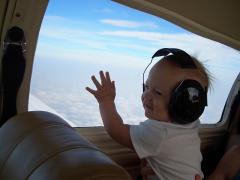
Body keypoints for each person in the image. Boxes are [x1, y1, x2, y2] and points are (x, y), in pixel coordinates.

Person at [86, 48, 211, 180]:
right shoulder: (191, 124)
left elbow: (116, 130)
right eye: (146, 86)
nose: (146, 95)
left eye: (157, 92)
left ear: (184, 105)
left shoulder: (159, 133)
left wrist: (106, 102)